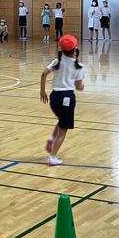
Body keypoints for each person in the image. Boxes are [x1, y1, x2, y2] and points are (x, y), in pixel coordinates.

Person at [40, 34, 85, 166]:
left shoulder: (57, 62)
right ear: (75, 49)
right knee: (63, 129)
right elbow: (79, 87)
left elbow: (43, 74)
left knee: (61, 120)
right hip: (67, 98)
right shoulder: (79, 66)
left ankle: (52, 139)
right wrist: (82, 86)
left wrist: (42, 91)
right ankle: (52, 157)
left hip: (54, 97)